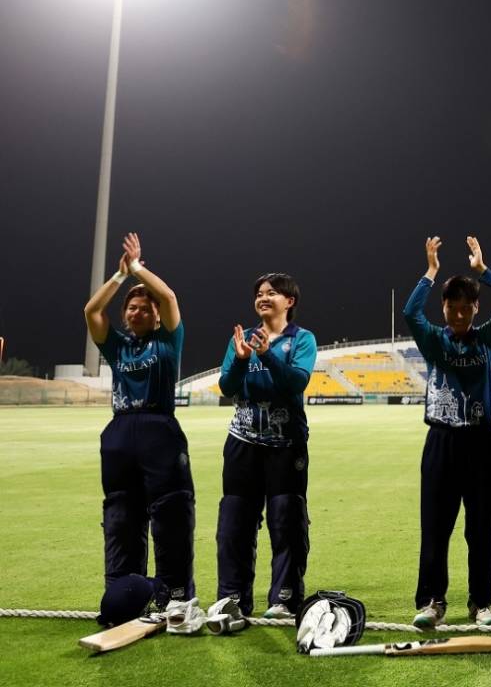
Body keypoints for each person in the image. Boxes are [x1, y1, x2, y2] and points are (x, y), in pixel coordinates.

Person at [403, 235, 491, 629]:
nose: (459, 313)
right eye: (453, 307)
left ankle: (481, 603)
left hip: (482, 443)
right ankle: (432, 601)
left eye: (467, 306)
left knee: (481, 528)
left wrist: (483, 271)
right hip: (442, 441)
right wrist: (431, 273)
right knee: (435, 527)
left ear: (475, 308)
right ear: (445, 307)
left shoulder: (486, 338)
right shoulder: (434, 340)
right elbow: (410, 314)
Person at [83, 232, 194, 607]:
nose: (137, 311)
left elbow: (169, 297)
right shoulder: (118, 346)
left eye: (145, 307)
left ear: (157, 315)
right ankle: (123, 596)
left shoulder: (167, 342)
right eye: (131, 308)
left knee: (171, 513)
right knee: (121, 514)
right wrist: (118, 278)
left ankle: (174, 594)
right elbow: (91, 312)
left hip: (158, 428)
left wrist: (138, 270)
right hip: (118, 432)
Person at [216, 272, 317, 618]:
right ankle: (232, 598)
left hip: (285, 446)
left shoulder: (301, 340)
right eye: (259, 293)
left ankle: (284, 599)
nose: (263, 298)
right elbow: (228, 386)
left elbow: (295, 384)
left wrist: (268, 356)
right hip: (242, 444)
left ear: (289, 302)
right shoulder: (240, 340)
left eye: (271, 293)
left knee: (286, 523)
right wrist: (243, 358)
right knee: (234, 523)